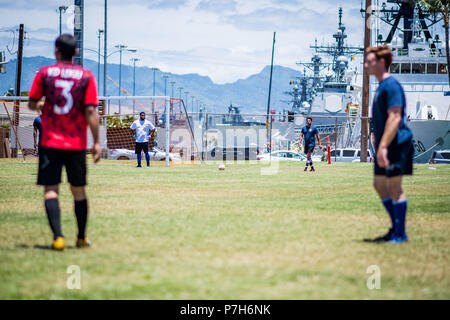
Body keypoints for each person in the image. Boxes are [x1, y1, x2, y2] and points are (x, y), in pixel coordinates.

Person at [28, 34, 100, 251]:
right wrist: (96, 141)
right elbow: (90, 110)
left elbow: (32, 103)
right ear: (76, 52)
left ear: (56, 51)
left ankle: (58, 238)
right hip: (76, 143)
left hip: (50, 141)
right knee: (78, 191)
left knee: (51, 190)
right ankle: (80, 237)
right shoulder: (86, 76)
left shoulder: (44, 73)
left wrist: (41, 106)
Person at [364, 45, 414, 244]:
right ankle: (395, 228)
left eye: (370, 61)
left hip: (396, 143)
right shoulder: (380, 87)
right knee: (379, 185)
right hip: (384, 143)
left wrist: (383, 146)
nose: (366, 64)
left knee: (394, 187)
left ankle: (400, 234)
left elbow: (395, 117)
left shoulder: (391, 85)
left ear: (381, 62)